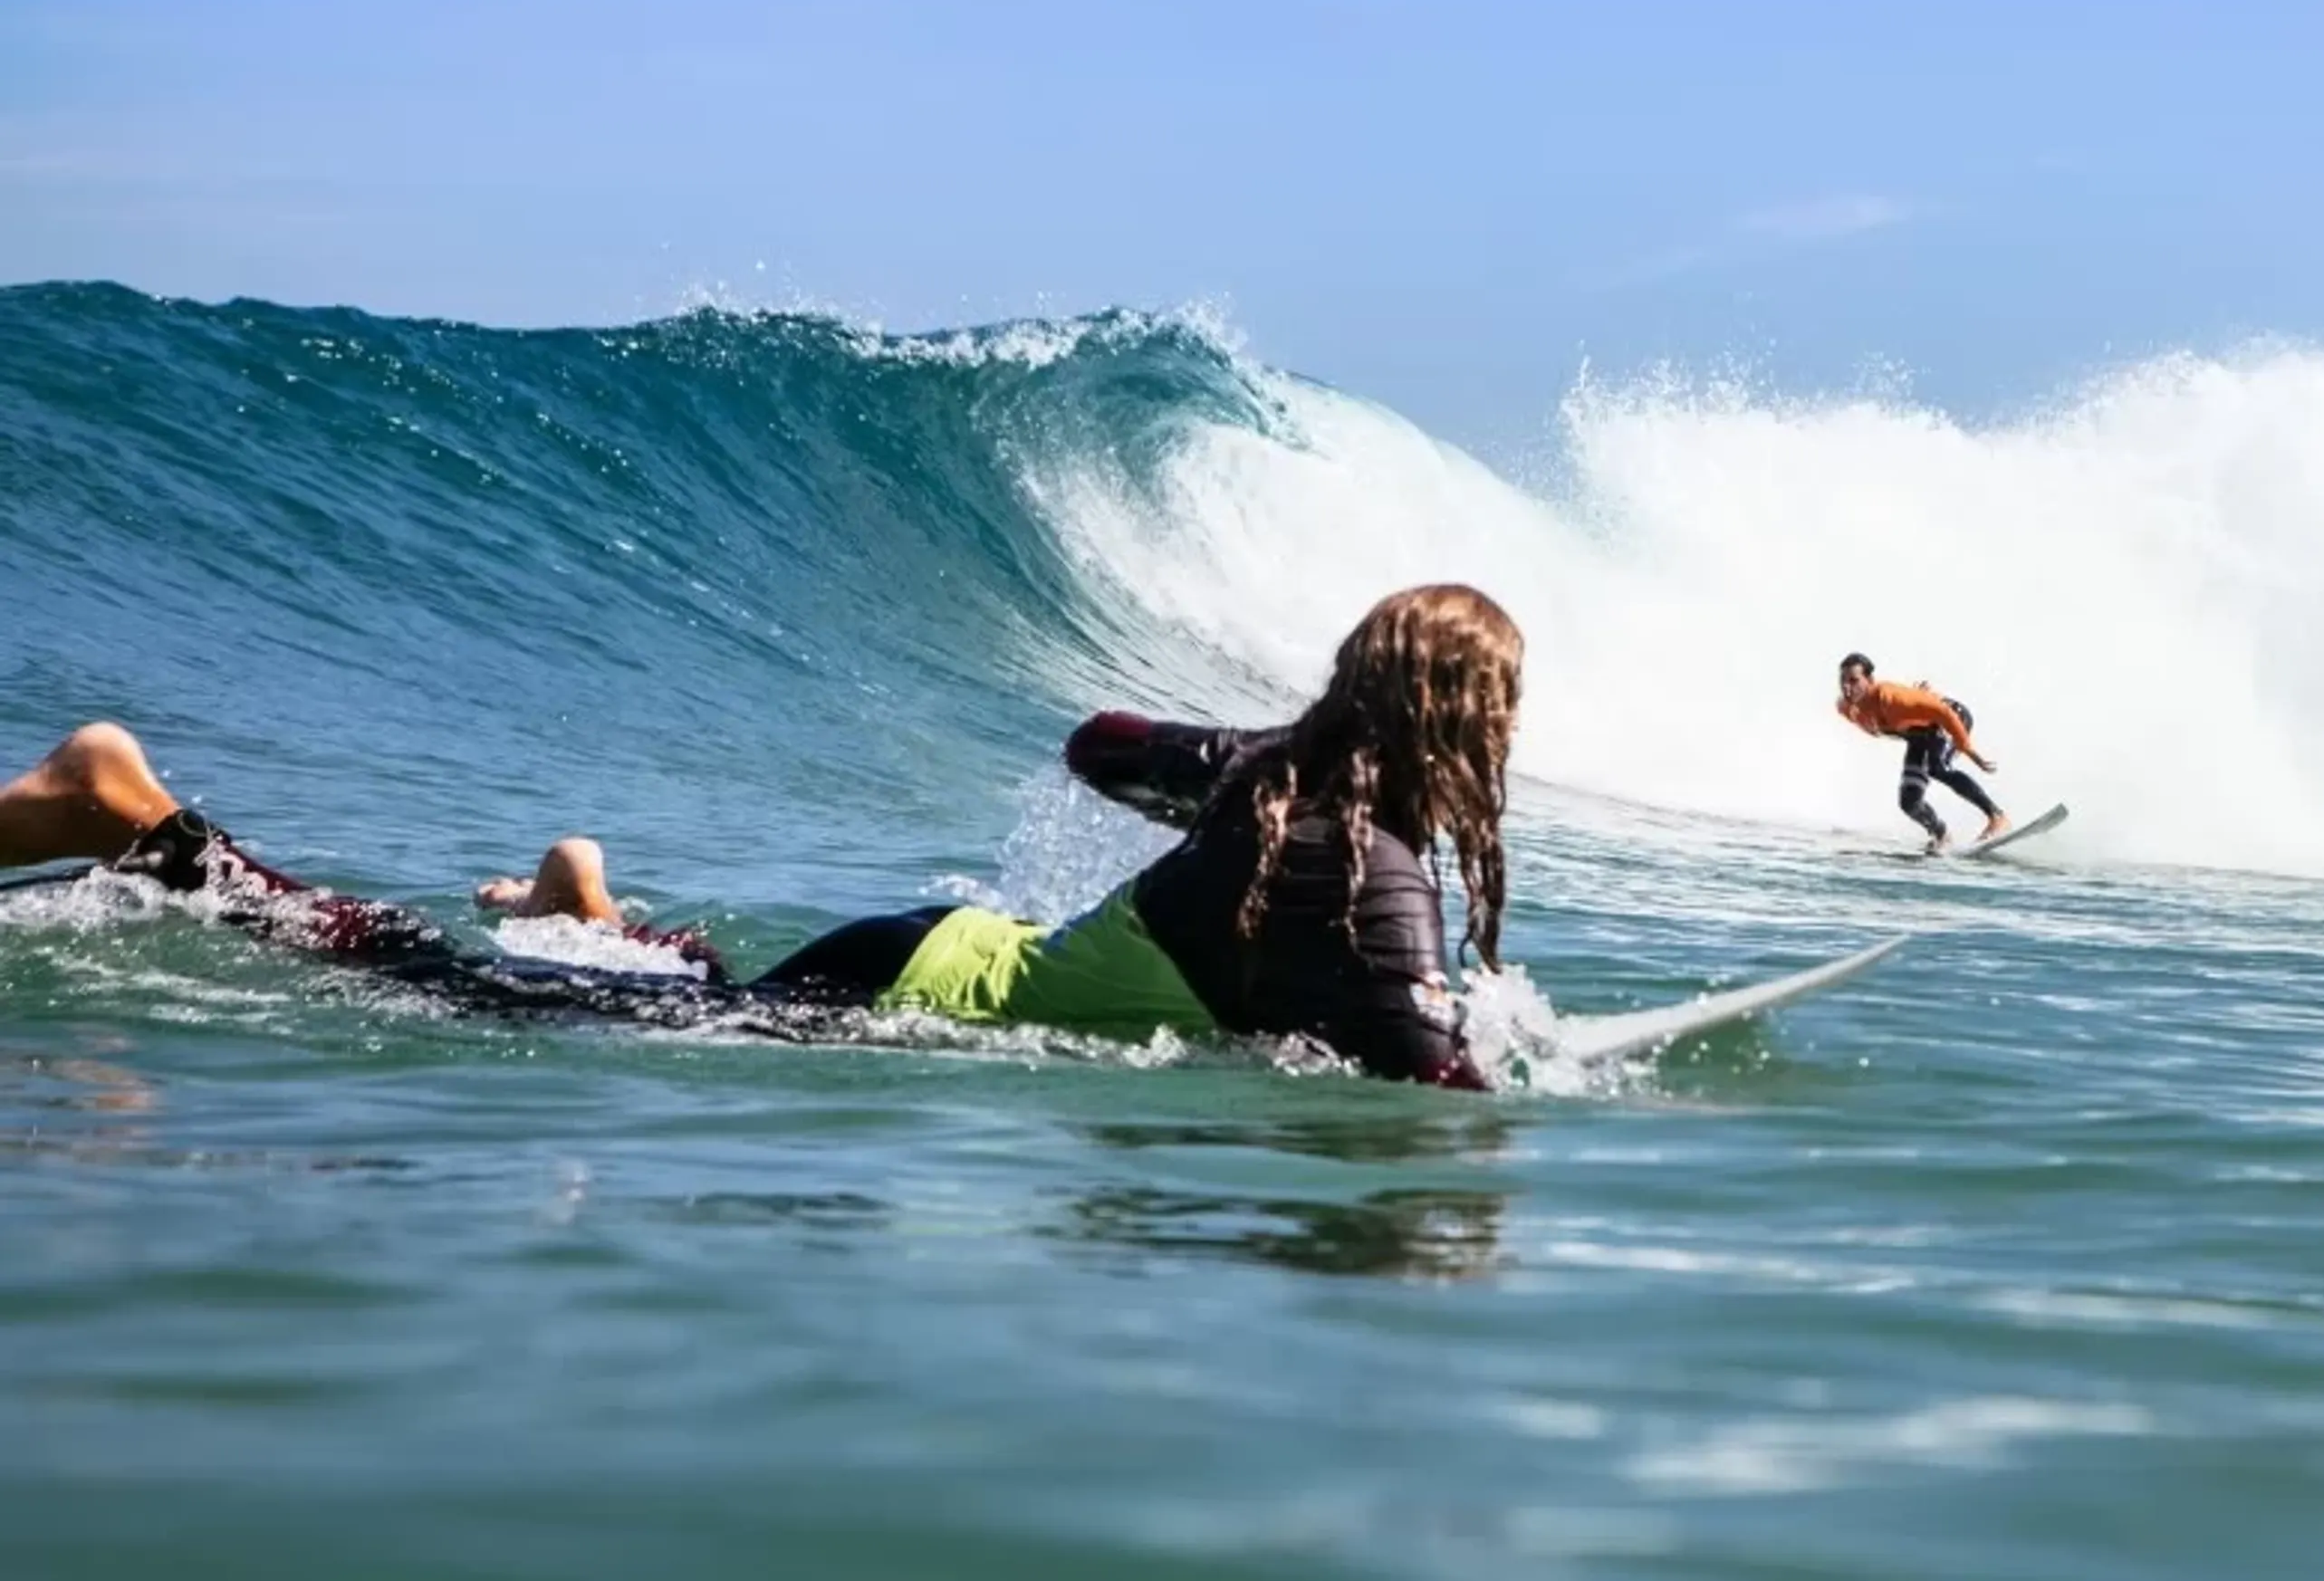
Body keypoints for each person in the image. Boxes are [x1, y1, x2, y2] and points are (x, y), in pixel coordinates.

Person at [740, 582, 1522, 1088]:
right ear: (1464, 720)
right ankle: (608, 918)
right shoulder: (1376, 882)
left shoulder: (1263, 771)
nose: (1513, 726)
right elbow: (1437, 1087)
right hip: (898, 986)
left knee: (685, 994)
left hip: (927, 947)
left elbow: (1097, 746)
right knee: (633, 1007)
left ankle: (612, 918)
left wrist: (1214, 811)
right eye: (1506, 702)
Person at [0, 721, 727, 976]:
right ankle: (116, 804)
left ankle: (576, 911)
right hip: (662, 996)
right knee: (400, 961)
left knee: (407, 953)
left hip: (678, 980)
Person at [1834, 652, 2006, 852]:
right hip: (1919, 735)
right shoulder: (1847, 708)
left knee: (1938, 768)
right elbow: (1885, 728)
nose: (1847, 687)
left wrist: (1967, 748)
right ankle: (1941, 835)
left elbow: (1943, 712)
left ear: (1870, 680)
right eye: (1843, 681)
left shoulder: (1891, 698)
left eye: (1854, 680)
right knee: (1909, 801)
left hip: (1949, 718)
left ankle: (1997, 816)